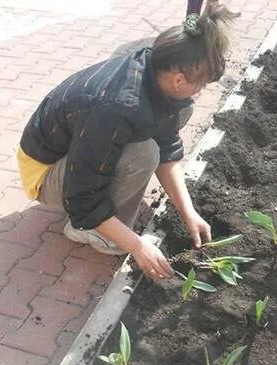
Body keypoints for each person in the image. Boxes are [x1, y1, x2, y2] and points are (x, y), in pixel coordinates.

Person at [17, 1, 236, 280]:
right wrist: (137, 245)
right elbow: (82, 198)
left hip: (75, 149)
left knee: (177, 117)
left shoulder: (152, 69)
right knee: (143, 155)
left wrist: (188, 211)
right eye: (201, 84)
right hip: (44, 171)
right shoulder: (117, 107)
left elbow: (168, 146)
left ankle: (105, 221)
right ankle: (88, 231)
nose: (200, 90)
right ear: (179, 79)